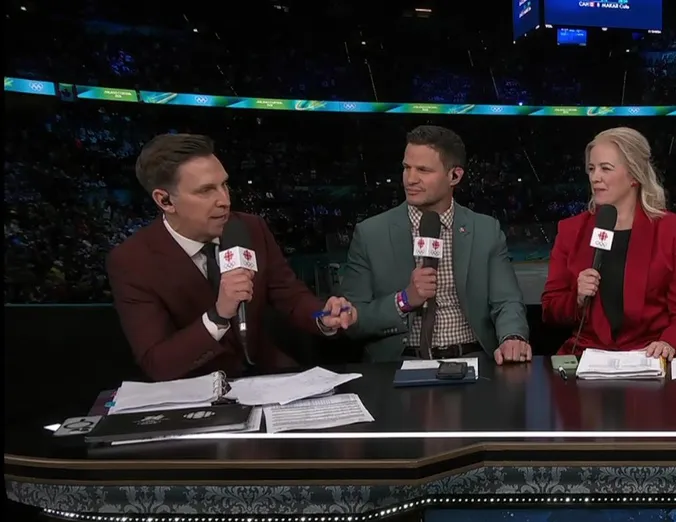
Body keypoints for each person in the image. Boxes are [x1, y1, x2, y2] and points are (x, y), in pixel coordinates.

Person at [107, 133, 355, 382]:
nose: (224, 200)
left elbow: (290, 296)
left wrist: (323, 317)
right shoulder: (133, 261)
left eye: (224, 185)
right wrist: (217, 315)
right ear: (165, 200)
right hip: (196, 387)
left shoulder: (250, 228)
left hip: (270, 376)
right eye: (206, 191)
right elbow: (157, 362)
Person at [341, 125, 531, 364]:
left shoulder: (485, 230)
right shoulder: (371, 234)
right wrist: (404, 300)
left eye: (423, 170)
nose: (410, 179)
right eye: (406, 168)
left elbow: (507, 302)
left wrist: (512, 337)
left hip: (472, 359)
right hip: (397, 365)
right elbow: (353, 320)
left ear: (454, 176)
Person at [541, 127, 676, 360]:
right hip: (587, 358)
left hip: (651, 358)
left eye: (605, 168)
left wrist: (668, 342)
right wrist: (577, 297)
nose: (595, 177)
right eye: (591, 168)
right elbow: (550, 309)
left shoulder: (674, 231)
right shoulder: (571, 231)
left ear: (634, 176)